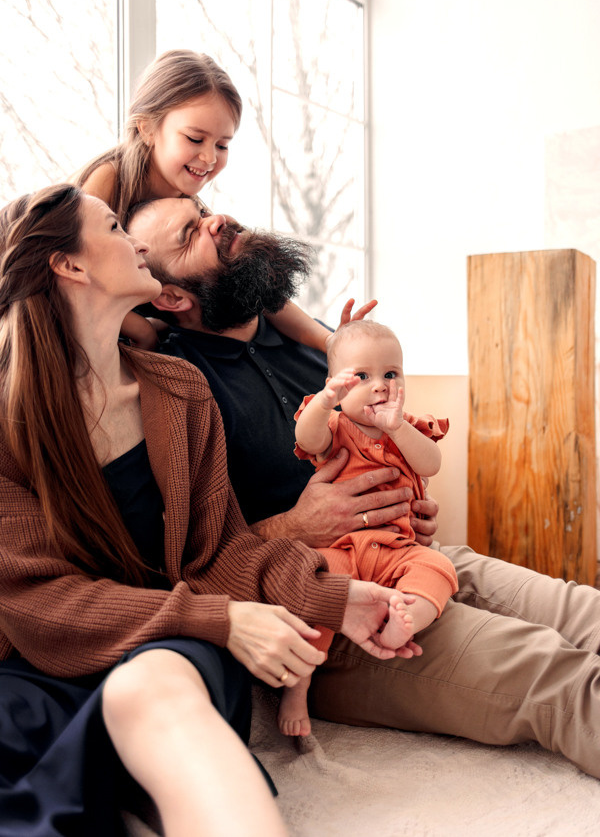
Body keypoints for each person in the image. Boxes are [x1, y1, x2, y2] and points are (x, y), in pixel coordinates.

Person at [126, 195, 600, 781]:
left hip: (413, 556)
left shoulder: (320, 350)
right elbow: (186, 563)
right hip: (331, 608)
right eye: (191, 231)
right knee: (559, 674)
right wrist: (296, 526)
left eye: (207, 208)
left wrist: (413, 500)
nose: (217, 219)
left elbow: (390, 442)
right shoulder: (174, 386)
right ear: (171, 297)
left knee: (585, 611)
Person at [0, 184, 414, 837]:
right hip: (44, 671)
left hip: (172, 653)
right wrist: (223, 618)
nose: (133, 241)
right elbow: (35, 602)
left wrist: (337, 598)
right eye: (114, 227)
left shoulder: (180, 391)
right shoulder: (9, 421)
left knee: (154, 687)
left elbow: (222, 551)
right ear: (70, 265)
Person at [75, 47, 337, 355]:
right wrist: (141, 328)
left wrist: (330, 341)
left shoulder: (191, 202)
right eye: (195, 139)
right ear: (146, 127)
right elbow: (76, 282)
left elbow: (254, 288)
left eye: (223, 145)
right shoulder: (106, 181)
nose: (209, 157)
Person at [279, 319, 459, 736]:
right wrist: (324, 403)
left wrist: (399, 428)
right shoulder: (334, 425)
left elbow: (431, 463)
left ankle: (405, 616)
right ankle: (298, 685)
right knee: (316, 593)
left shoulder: (404, 428)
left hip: (398, 549)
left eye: (391, 374)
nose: (380, 386)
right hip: (340, 548)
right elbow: (307, 440)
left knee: (439, 568)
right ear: (335, 385)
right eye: (362, 376)